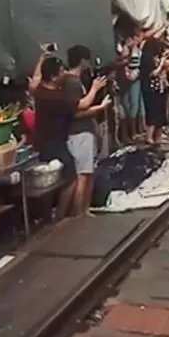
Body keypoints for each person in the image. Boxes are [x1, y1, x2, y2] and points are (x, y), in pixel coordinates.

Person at [33, 56, 108, 220]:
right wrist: (95, 88)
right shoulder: (55, 98)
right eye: (61, 72)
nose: (64, 74)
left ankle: (59, 214)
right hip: (54, 142)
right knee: (72, 178)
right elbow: (83, 104)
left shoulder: (39, 90)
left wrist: (41, 57)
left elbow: (36, 79)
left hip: (46, 140)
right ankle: (61, 216)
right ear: (53, 77)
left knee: (63, 179)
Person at [62, 45, 111, 217]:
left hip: (85, 131)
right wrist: (99, 103)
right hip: (79, 132)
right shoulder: (72, 83)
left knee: (88, 173)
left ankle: (84, 209)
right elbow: (77, 111)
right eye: (87, 60)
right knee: (83, 174)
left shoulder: (72, 81)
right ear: (82, 61)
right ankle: (79, 212)